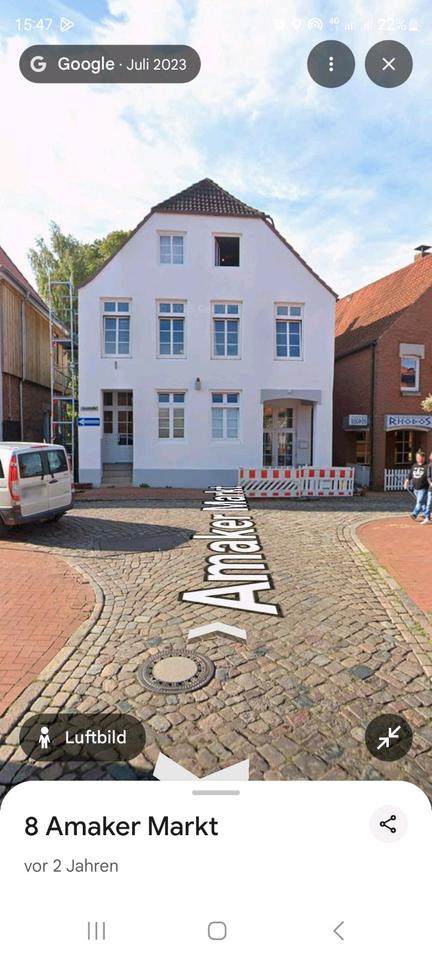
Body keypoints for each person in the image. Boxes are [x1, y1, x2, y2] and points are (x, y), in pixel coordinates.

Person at [404, 450, 429, 520]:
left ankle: (415, 514)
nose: (418, 459)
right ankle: (426, 514)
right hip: (415, 488)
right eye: (417, 457)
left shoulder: (427, 466)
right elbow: (409, 475)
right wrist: (406, 482)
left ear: (423, 458)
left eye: (419, 457)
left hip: (423, 488)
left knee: (419, 501)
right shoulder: (414, 466)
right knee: (422, 502)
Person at [419, 451, 432, 525]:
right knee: (429, 503)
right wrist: (430, 483)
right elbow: (428, 477)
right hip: (431, 488)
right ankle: (427, 518)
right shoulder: (430, 466)